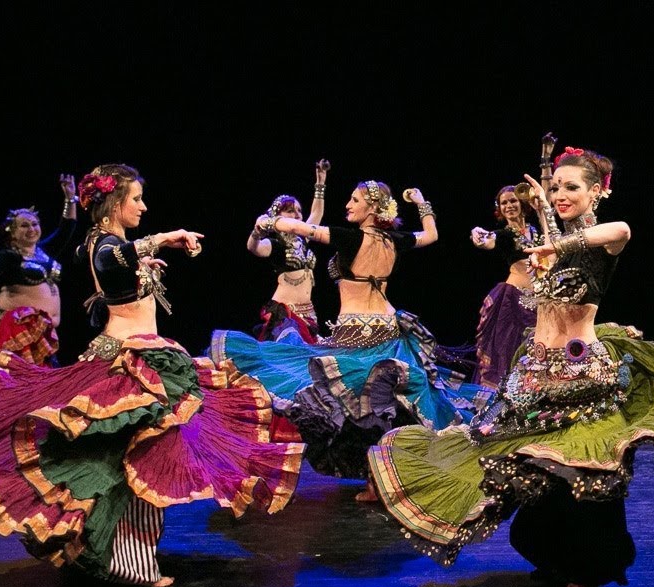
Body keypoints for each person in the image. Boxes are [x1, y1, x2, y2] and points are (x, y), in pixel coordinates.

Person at [367, 146, 654, 587]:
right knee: (531, 470)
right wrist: (544, 222)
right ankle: (557, 556)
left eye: (572, 187)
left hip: (581, 373)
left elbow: (619, 229)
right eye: (555, 188)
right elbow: (544, 249)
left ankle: (587, 564)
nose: (560, 195)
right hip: (535, 376)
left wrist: (555, 239)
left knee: (584, 473)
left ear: (598, 192)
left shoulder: (604, 239)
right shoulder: (551, 239)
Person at [0, 163, 305, 587]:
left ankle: (124, 559)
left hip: (143, 352)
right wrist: (164, 239)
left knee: (133, 457)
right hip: (129, 359)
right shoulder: (104, 244)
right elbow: (111, 258)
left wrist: (141, 265)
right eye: (136, 199)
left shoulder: (103, 244)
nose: (143, 207)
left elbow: (112, 275)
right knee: (129, 459)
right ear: (114, 203)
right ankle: (129, 562)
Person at [210, 179, 493, 496]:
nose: (348, 204)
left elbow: (303, 229)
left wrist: (269, 221)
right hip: (390, 329)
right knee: (383, 409)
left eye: (354, 199)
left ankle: (381, 479)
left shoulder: (349, 237)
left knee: (361, 410)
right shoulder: (393, 239)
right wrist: (421, 201)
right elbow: (431, 235)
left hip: (356, 334)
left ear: (372, 208)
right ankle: (382, 478)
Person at [0, 175, 78, 386]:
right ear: (12, 233)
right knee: (16, 382)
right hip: (18, 330)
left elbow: (67, 228)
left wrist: (70, 199)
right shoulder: (9, 256)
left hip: (42, 330)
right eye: (24, 226)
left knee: (38, 386)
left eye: (35, 224)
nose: (31, 229)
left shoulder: (44, 252)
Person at [246, 159, 330, 343]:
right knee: (290, 353)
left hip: (308, 313)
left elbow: (316, 214)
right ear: (277, 216)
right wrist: (256, 232)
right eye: (290, 211)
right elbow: (254, 247)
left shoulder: (304, 238)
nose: (297, 215)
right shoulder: (275, 243)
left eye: (299, 210)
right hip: (285, 314)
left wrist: (320, 182)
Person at [469, 183, 539, 387]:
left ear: (522, 203)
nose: (509, 206)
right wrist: (479, 236)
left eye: (513, 201)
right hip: (514, 299)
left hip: (540, 299)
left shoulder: (537, 231)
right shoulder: (504, 234)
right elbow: (489, 241)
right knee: (509, 349)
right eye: (504, 203)